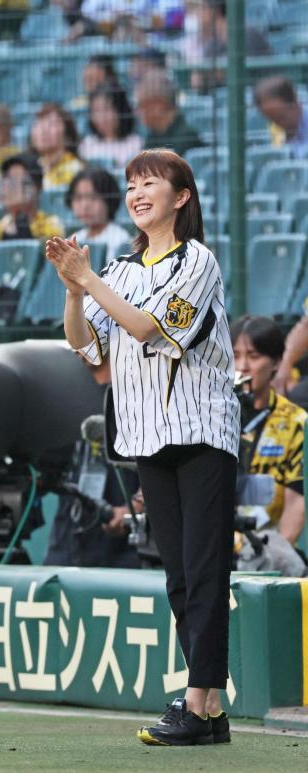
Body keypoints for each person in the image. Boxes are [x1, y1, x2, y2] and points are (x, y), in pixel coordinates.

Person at [47, 148, 239, 746]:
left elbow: (149, 329)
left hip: (202, 431)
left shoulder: (197, 259)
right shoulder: (120, 269)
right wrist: (74, 292)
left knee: (204, 569)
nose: (137, 192)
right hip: (146, 437)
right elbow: (86, 346)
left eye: (150, 182)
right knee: (178, 574)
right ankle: (208, 709)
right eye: (131, 184)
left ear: (181, 197)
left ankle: (198, 700)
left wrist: (89, 281)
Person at [44, 358, 141, 569]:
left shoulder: (143, 387)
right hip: (67, 543)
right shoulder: (60, 389)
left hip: (126, 548)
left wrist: (137, 506)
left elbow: (168, 461)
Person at [231, 316, 306, 545]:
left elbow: (296, 505)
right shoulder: (209, 417)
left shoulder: (296, 423)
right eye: (235, 356)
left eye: (253, 356)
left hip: (267, 550)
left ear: (276, 362)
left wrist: (275, 556)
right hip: (210, 548)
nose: (242, 366)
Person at [0, 153, 64, 248]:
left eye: (14, 180)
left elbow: (29, 253)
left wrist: (20, 215)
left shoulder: (49, 225)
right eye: (6, 178)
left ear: (34, 187)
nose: (6, 186)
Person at [66, 167, 131, 260]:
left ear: (109, 201)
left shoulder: (120, 241)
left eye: (93, 197)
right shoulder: (74, 240)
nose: (85, 205)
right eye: (78, 197)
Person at [135, 71, 204, 157]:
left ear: (159, 105)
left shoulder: (186, 137)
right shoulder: (152, 137)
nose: (138, 111)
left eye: (142, 105)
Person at [78, 82, 143, 168]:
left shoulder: (135, 143)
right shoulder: (87, 145)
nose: (102, 117)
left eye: (107, 108)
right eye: (96, 110)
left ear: (120, 110)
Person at [29, 103, 85, 189]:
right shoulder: (31, 168)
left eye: (51, 124)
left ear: (67, 135)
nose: (44, 130)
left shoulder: (75, 169)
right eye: (39, 124)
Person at [254, 76, 308, 160]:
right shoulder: (275, 131)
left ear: (295, 105)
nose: (277, 124)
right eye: (271, 119)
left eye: (280, 118)